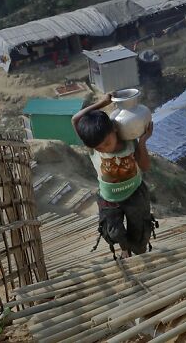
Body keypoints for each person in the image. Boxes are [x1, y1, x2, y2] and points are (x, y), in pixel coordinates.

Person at [73, 95, 156, 259]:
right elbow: (76, 119)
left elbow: (145, 167)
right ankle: (124, 248)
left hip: (135, 194)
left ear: (114, 128)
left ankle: (138, 254)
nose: (103, 149)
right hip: (109, 199)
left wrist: (142, 142)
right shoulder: (93, 147)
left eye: (106, 142)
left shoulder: (130, 142)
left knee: (140, 232)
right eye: (98, 147)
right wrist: (102, 103)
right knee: (113, 232)